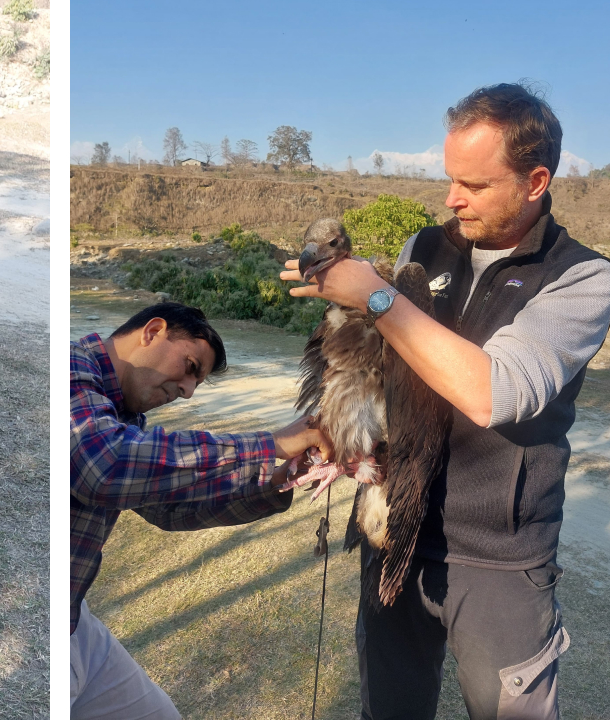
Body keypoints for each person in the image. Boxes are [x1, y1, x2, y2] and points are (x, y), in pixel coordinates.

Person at [281, 83, 610, 719]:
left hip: (499, 564)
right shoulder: (422, 251)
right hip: (393, 523)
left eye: (476, 185)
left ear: (536, 179)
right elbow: (387, 374)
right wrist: (331, 432)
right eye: (450, 178)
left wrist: (376, 299)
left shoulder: (582, 277)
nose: (451, 199)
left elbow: (495, 389)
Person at [69, 302, 330, 720]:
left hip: (74, 621)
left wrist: (275, 479)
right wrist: (270, 443)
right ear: (152, 331)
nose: (188, 391)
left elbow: (167, 510)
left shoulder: (126, 415)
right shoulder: (71, 368)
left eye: (197, 382)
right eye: (190, 366)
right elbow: (99, 466)